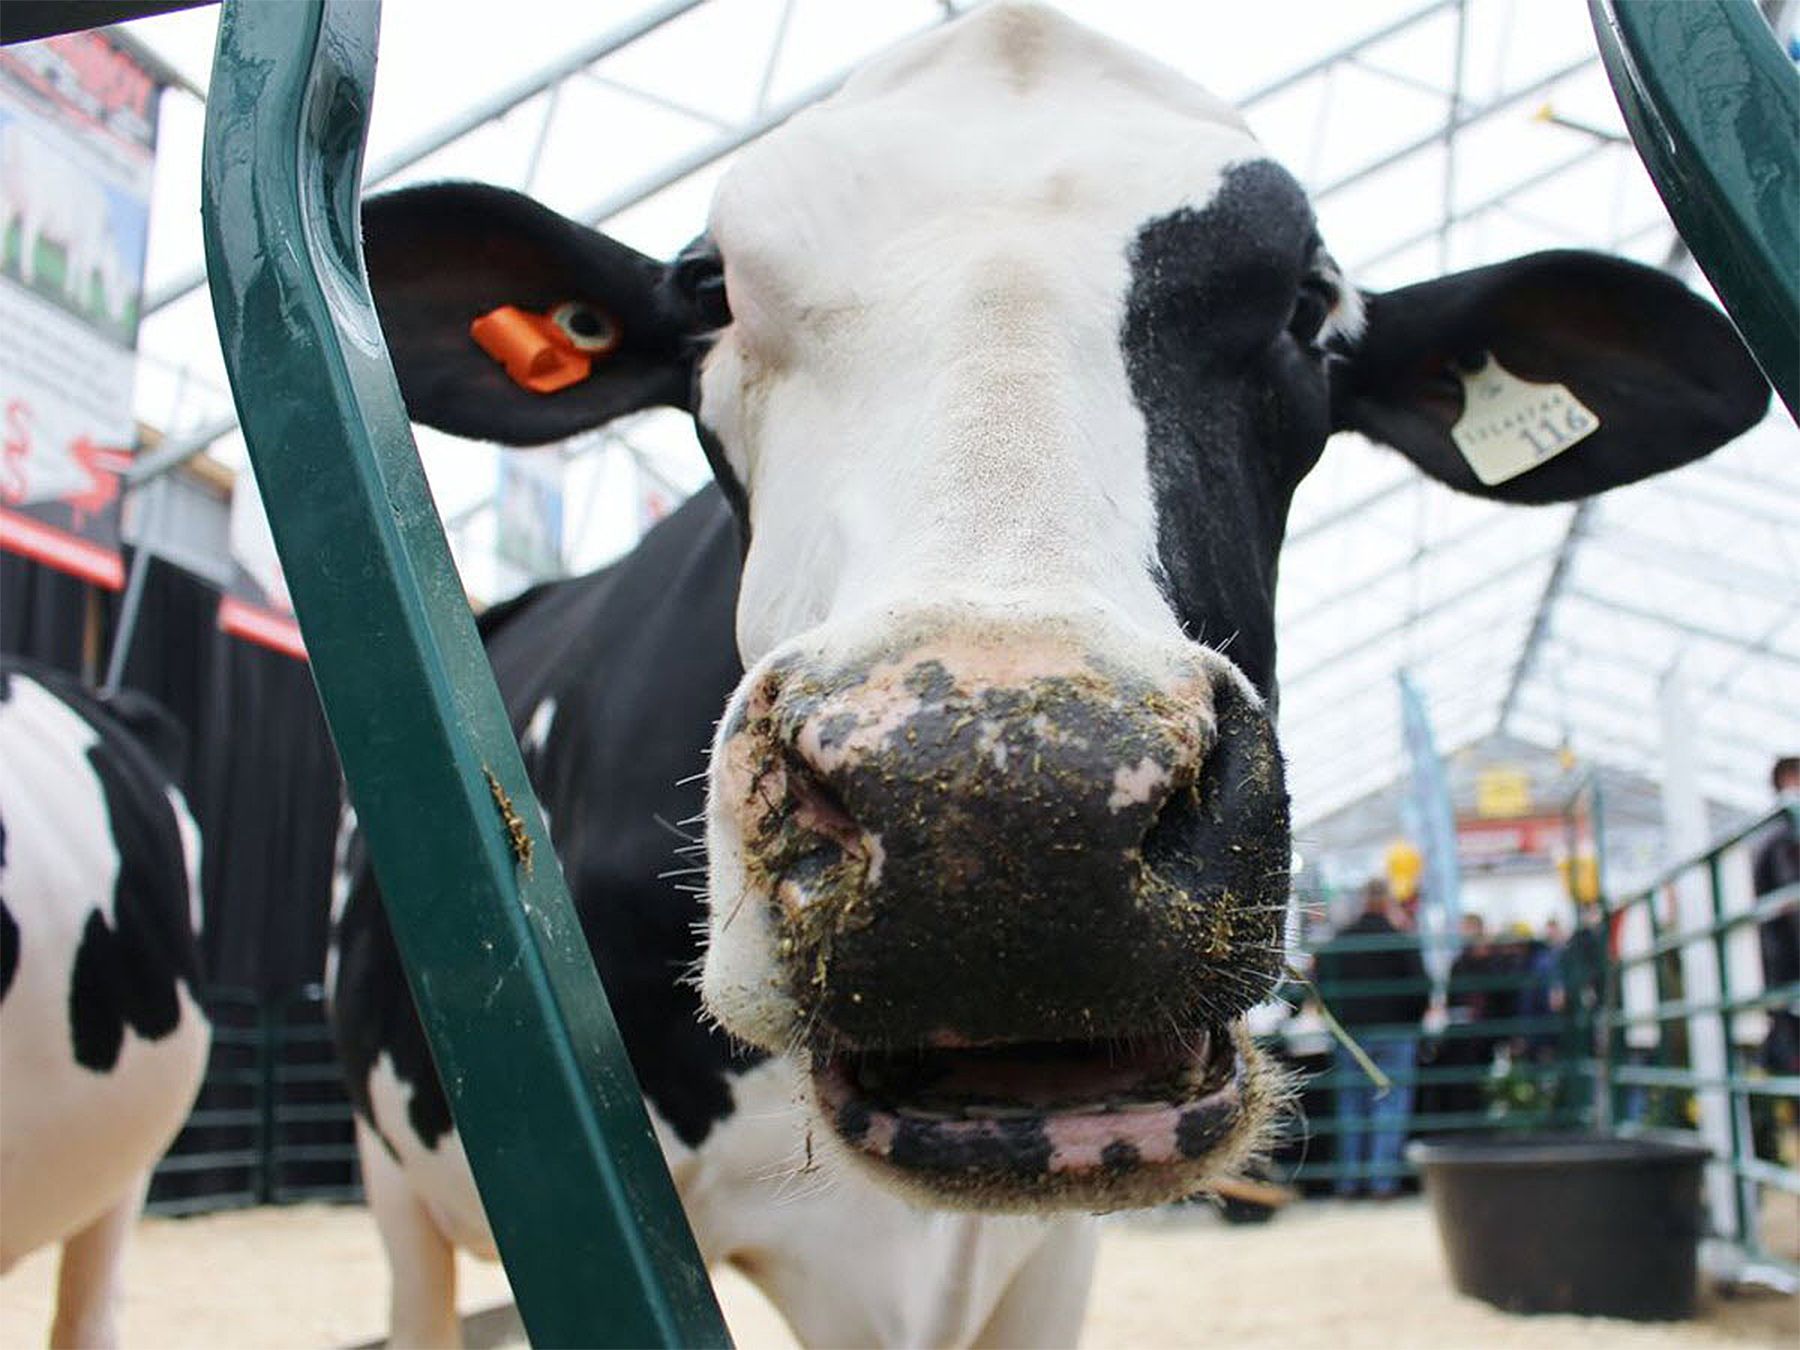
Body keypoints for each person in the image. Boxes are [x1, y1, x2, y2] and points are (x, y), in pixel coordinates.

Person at [1315, 879, 1431, 1198]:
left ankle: (1350, 1182)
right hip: (1394, 1032)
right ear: (1388, 902)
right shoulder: (1400, 940)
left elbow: (1320, 986)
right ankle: (1383, 1182)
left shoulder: (1340, 941)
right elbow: (1421, 988)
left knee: (1350, 1106)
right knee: (1390, 1105)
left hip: (1350, 1034)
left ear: (1363, 901)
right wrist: (1412, 1021)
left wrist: (1338, 1021)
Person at [1751, 756, 1799, 1075]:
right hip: (1790, 961)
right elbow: (1790, 895)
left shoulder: (1769, 834)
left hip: (1780, 963)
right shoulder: (1783, 834)